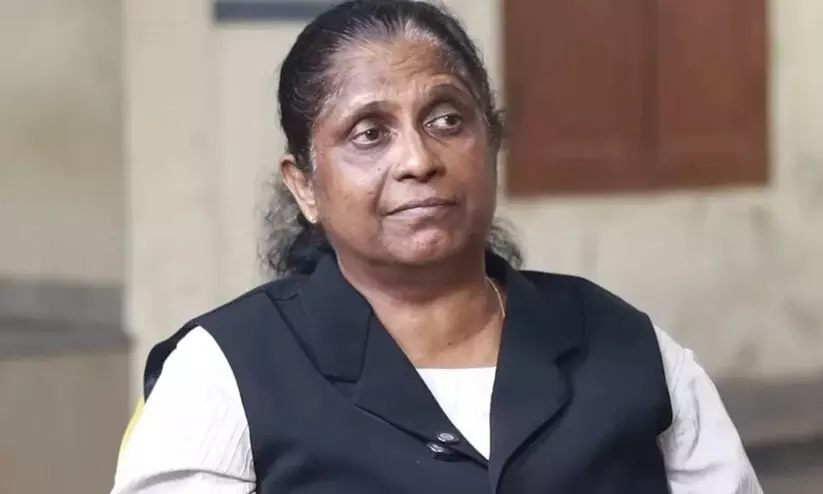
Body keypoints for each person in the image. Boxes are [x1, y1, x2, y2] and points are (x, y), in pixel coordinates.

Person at [111, 1, 763, 492]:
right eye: (369, 133)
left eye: (447, 119)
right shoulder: (223, 375)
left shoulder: (628, 350)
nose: (419, 159)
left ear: (491, 144)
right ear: (305, 185)